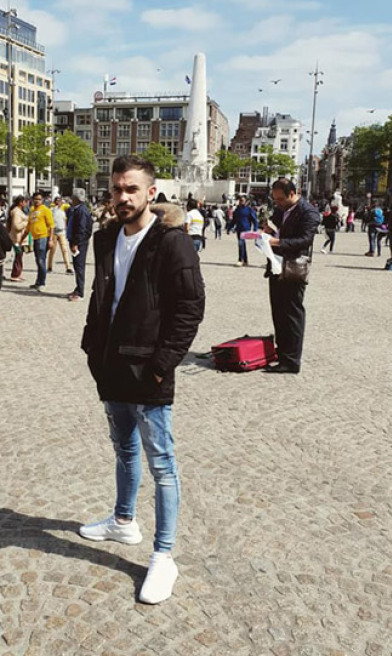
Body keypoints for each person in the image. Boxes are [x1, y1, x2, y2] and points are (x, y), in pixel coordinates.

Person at [78, 154, 205, 605]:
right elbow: (103, 295)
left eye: (132, 189)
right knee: (124, 450)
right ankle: (123, 520)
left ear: (151, 192)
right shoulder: (105, 237)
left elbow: (190, 308)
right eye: (116, 189)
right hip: (111, 365)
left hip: (149, 371)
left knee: (162, 465)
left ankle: (164, 555)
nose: (123, 197)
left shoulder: (172, 243)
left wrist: (161, 364)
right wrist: (93, 346)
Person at [264, 177, 320, 374]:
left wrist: (276, 242)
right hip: (276, 265)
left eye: (280, 199)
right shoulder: (281, 210)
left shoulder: (309, 212)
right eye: (275, 200)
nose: (277, 204)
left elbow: (305, 240)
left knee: (292, 314)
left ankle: (291, 360)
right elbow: (275, 228)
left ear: (292, 194)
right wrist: (268, 231)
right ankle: (282, 354)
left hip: (294, 268)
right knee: (278, 312)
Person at [67, 189, 94, 302]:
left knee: (79, 267)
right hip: (75, 240)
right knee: (77, 266)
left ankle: (80, 292)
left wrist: (76, 243)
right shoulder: (76, 209)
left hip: (79, 243)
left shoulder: (81, 211)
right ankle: (78, 288)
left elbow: (82, 229)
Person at [26, 192, 54, 290]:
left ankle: (42, 283)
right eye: (35, 199)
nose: (37, 201)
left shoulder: (46, 210)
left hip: (43, 237)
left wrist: (50, 239)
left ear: (42, 200)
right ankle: (38, 281)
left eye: (39, 199)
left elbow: (51, 226)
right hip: (35, 238)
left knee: (41, 260)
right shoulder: (32, 210)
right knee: (38, 260)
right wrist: (22, 239)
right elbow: (29, 226)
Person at [47, 197, 73, 275]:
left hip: (62, 232)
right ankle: (49, 266)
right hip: (54, 232)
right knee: (52, 251)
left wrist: (65, 229)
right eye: (57, 201)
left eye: (60, 201)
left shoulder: (63, 212)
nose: (59, 202)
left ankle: (68, 267)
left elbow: (65, 220)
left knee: (64, 250)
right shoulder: (51, 211)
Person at [232, 196, 258, 266]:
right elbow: (233, 220)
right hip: (238, 229)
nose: (241, 202)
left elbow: (254, 220)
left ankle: (240, 260)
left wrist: (255, 229)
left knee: (241, 243)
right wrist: (229, 227)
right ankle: (245, 261)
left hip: (245, 229)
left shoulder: (249, 210)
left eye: (242, 200)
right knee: (242, 245)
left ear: (246, 201)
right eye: (240, 200)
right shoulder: (237, 210)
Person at [7, 196, 26, 282]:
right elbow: (17, 226)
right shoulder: (16, 212)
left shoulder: (18, 211)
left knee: (19, 256)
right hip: (17, 238)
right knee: (18, 256)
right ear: (21, 202)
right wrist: (26, 222)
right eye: (25, 202)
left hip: (19, 238)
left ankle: (17, 273)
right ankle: (15, 274)